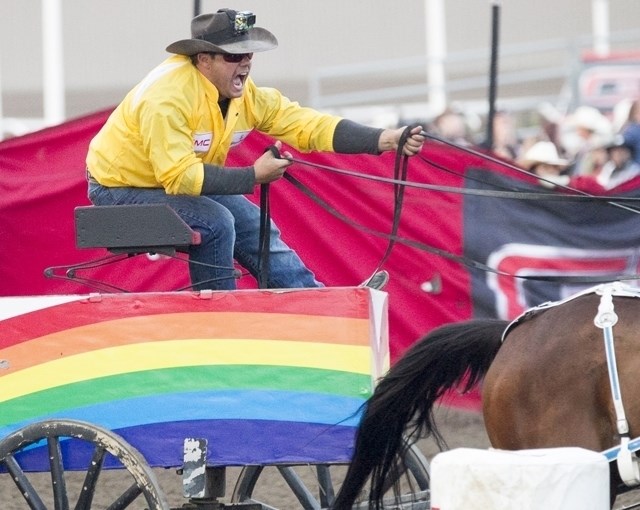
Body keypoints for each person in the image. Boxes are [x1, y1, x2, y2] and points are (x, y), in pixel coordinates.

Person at [86, 9, 425, 291]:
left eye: (249, 53)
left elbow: (306, 124)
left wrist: (386, 139)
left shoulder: (243, 94)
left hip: (163, 182)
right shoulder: (167, 98)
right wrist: (253, 175)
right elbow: (179, 178)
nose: (246, 62)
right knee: (216, 221)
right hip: (118, 188)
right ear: (204, 59)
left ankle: (315, 301)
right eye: (235, 55)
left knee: (251, 222)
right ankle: (218, 318)